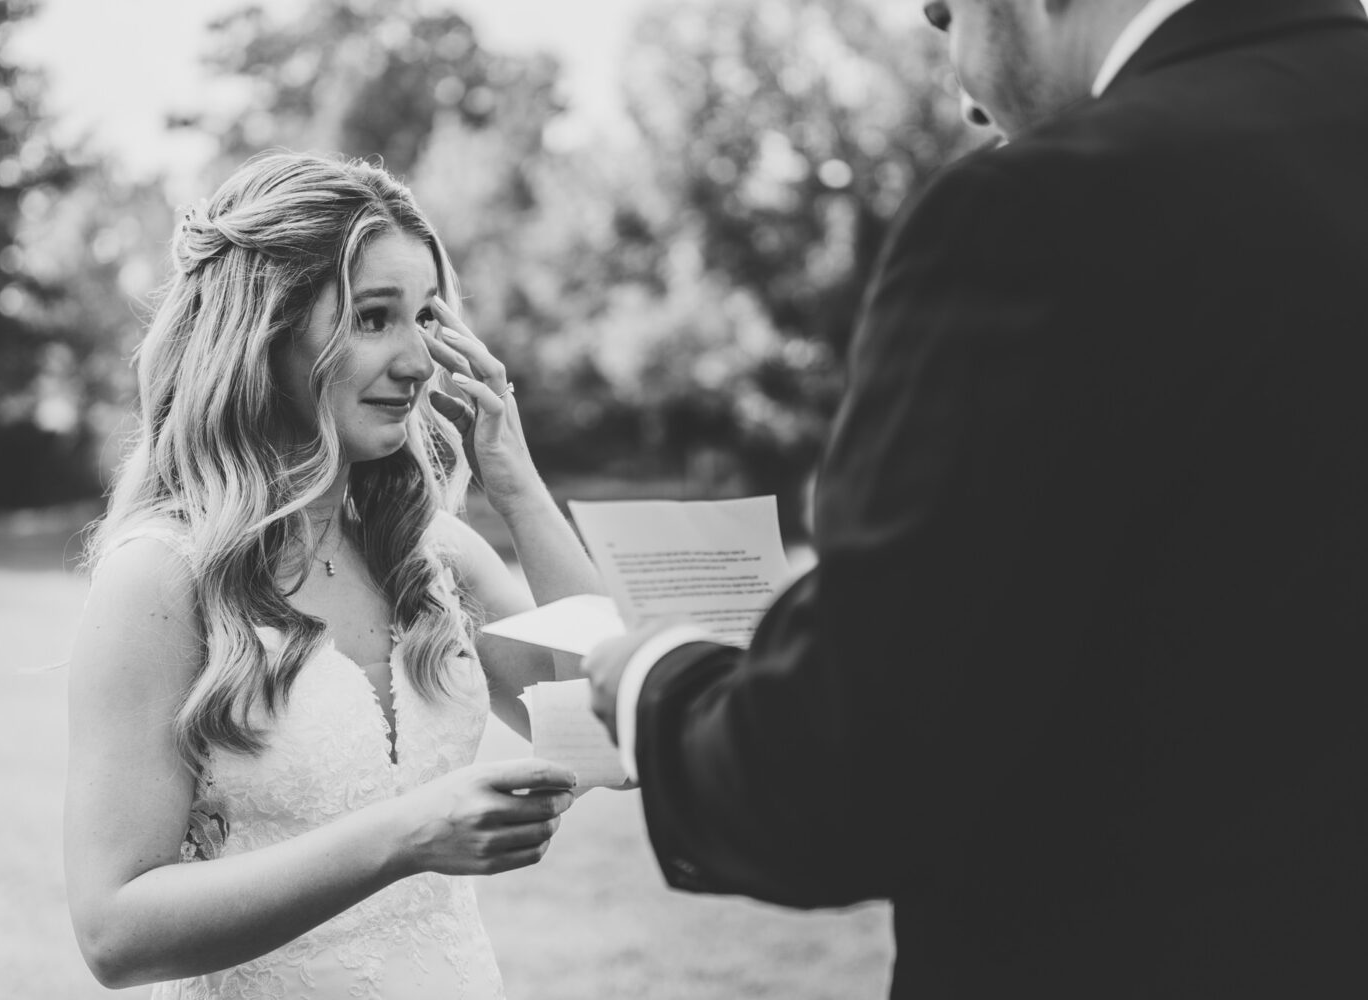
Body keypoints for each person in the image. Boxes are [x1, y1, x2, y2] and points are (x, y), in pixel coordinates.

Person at [584, 1, 1368, 996]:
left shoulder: (1048, 206)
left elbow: (844, 773)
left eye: (944, 12)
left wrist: (655, 673)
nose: (963, 96)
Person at [64, 151, 601, 999]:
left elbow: (607, 726)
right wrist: (407, 834)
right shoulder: (160, 579)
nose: (420, 361)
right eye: (372, 317)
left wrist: (518, 484)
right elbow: (114, 931)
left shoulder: (434, 556)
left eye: (426, 317)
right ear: (264, 330)